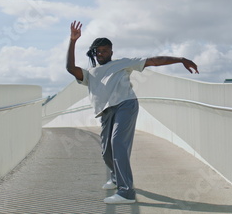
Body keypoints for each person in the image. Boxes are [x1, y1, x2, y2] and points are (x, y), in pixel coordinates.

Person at [66, 21, 199, 204]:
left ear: (111, 52)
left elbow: (153, 61)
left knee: (118, 143)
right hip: (105, 112)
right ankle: (115, 178)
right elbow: (70, 68)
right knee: (106, 152)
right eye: (98, 50)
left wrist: (181, 59)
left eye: (105, 50)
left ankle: (126, 192)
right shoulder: (90, 73)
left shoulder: (122, 63)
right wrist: (73, 41)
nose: (101, 53)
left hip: (125, 105)